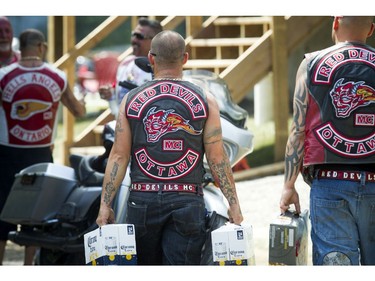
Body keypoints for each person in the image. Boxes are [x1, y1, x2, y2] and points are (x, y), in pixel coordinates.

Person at [96, 30, 243, 265]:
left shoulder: (131, 100)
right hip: (187, 199)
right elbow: (217, 157)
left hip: (143, 199)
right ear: (184, 59)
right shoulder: (206, 100)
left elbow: (118, 156)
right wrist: (234, 205)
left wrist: (105, 205)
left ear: (151, 59)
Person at [279, 16, 375, 265]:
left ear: (335, 22)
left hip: (330, 185)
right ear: (372, 29)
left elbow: (298, 130)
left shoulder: (310, 63)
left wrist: (289, 186)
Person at [0, 28, 86, 265]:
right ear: (41, 47)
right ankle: (30, 267)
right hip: (40, 154)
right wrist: (84, 102)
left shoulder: (3, 75)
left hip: (7, 153)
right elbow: (79, 111)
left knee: (2, 214)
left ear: (21, 48)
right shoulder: (57, 76)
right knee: (36, 216)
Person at [99, 17, 163, 116]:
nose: (134, 39)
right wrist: (110, 95)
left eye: (139, 36)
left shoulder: (163, 67)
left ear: (155, 40)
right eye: (133, 34)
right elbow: (119, 97)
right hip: (123, 125)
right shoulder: (126, 63)